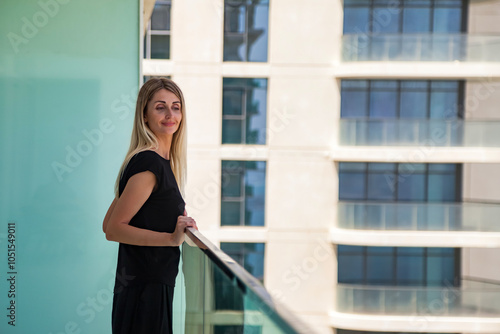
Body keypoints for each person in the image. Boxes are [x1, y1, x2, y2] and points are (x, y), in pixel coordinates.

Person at [102, 78, 197, 334]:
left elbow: (110, 222)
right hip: (145, 293)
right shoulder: (150, 164)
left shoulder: (155, 162)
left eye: (176, 107)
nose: (170, 114)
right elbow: (113, 229)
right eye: (160, 107)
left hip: (148, 288)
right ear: (144, 115)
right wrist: (170, 237)